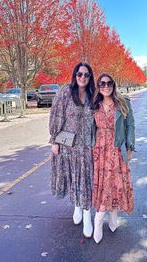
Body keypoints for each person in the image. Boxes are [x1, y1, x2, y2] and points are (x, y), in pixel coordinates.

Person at [49, 62, 95, 238]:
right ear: (75, 75)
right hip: (69, 144)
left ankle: (86, 214)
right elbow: (56, 115)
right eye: (79, 74)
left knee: (86, 179)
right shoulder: (65, 92)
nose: (83, 77)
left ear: (90, 78)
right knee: (73, 177)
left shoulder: (93, 95)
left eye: (86, 75)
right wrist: (54, 140)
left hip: (88, 146)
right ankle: (77, 205)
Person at [92, 73, 135, 244]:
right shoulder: (94, 104)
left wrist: (130, 146)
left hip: (117, 148)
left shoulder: (123, 102)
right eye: (102, 83)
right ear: (98, 86)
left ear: (113, 85)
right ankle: (98, 219)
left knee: (115, 182)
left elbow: (131, 124)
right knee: (104, 183)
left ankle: (113, 212)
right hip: (99, 150)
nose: (106, 86)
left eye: (109, 83)